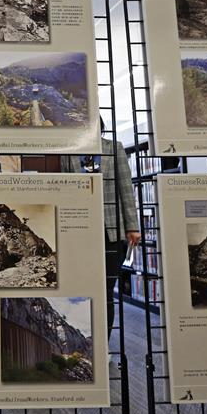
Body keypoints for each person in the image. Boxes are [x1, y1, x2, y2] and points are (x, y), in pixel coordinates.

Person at [61, 118, 141, 339]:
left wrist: (132, 226)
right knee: (82, 290)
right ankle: (87, 343)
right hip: (79, 230)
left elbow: (126, 188)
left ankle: (103, 345)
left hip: (111, 233)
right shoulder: (69, 151)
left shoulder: (113, 148)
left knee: (105, 292)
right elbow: (63, 190)